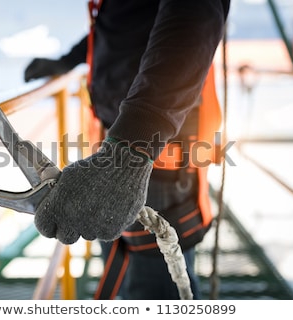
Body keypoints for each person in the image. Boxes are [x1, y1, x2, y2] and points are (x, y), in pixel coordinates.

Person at [24, 0, 230, 299]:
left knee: (154, 288)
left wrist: (132, 147)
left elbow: (193, 15)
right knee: (124, 273)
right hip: (120, 146)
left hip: (152, 154)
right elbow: (127, 20)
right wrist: (69, 60)